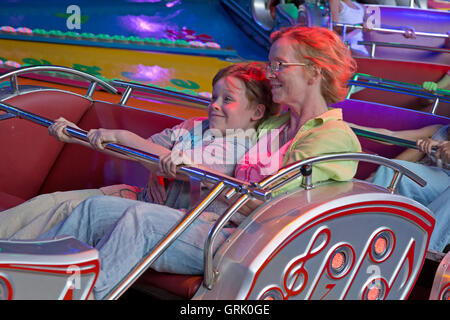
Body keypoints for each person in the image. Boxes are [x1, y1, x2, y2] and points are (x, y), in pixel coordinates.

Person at [37, 26, 362, 300]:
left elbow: (274, 208)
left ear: (315, 71)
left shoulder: (331, 137)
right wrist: (166, 158)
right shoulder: (274, 125)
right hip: (211, 220)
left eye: (279, 65)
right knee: (94, 209)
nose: (271, 75)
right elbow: (215, 134)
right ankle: (29, 278)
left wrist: (197, 174)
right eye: (271, 65)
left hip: (249, 240)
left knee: (142, 221)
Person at [0, 62, 278, 240]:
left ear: (257, 111)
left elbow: (181, 167)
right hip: (139, 198)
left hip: (163, 220)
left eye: (227, 100)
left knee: (69, 211)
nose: (214, 105)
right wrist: (80, 136)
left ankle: (17, 265)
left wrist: (125, 139)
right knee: (51, 202)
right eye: (213, 97)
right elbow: (148, 150)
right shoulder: (196, 126)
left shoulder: (240, 146)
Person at [370, 124, 449, 252]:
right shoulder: (439, 131)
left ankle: (416, 253)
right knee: (393, 170)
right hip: (436, 180)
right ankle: (369, 231)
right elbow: (392, 135)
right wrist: (348, 125)